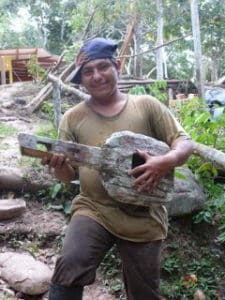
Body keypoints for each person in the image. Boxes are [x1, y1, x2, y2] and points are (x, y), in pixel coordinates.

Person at [45, 37, 193, 300]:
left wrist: (165, 162)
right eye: (88, 72)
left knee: (144, 293)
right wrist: (58, 166)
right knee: (69, 266)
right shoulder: (73, 117)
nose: (96, 76)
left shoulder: (146, 105)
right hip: (94, 208)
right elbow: (67, 177)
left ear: (118, 66)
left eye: (102, 67)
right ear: (82, 79)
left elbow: (184, 142)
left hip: (143, 213)